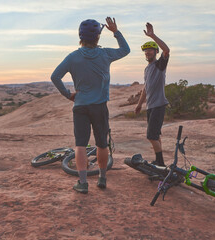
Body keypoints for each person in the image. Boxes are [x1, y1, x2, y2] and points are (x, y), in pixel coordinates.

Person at [51, 17, 130, 194]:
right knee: (102, 144)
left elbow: (55, 76)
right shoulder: (105, 54)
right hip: (100, 106)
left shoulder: (73, 57)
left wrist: (68, 94)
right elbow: (126, 50)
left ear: (80, 36)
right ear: (98, 37)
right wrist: (116, 32)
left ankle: (83, 183)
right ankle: (102, 178)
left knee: (80, 145)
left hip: (80, 107)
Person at [134, 22, 170, 167]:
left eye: (150, 50)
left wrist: (152, 35)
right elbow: (145, 88)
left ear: (155, 52)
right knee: (156, 136)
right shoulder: (147, 69)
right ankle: (159, 161)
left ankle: (160, 162)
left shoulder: (159, 65)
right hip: (151, 106)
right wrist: (139, 104)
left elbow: (167, 50)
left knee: (151, 136)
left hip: (159, 105)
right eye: (146, 51)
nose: (147, 52)